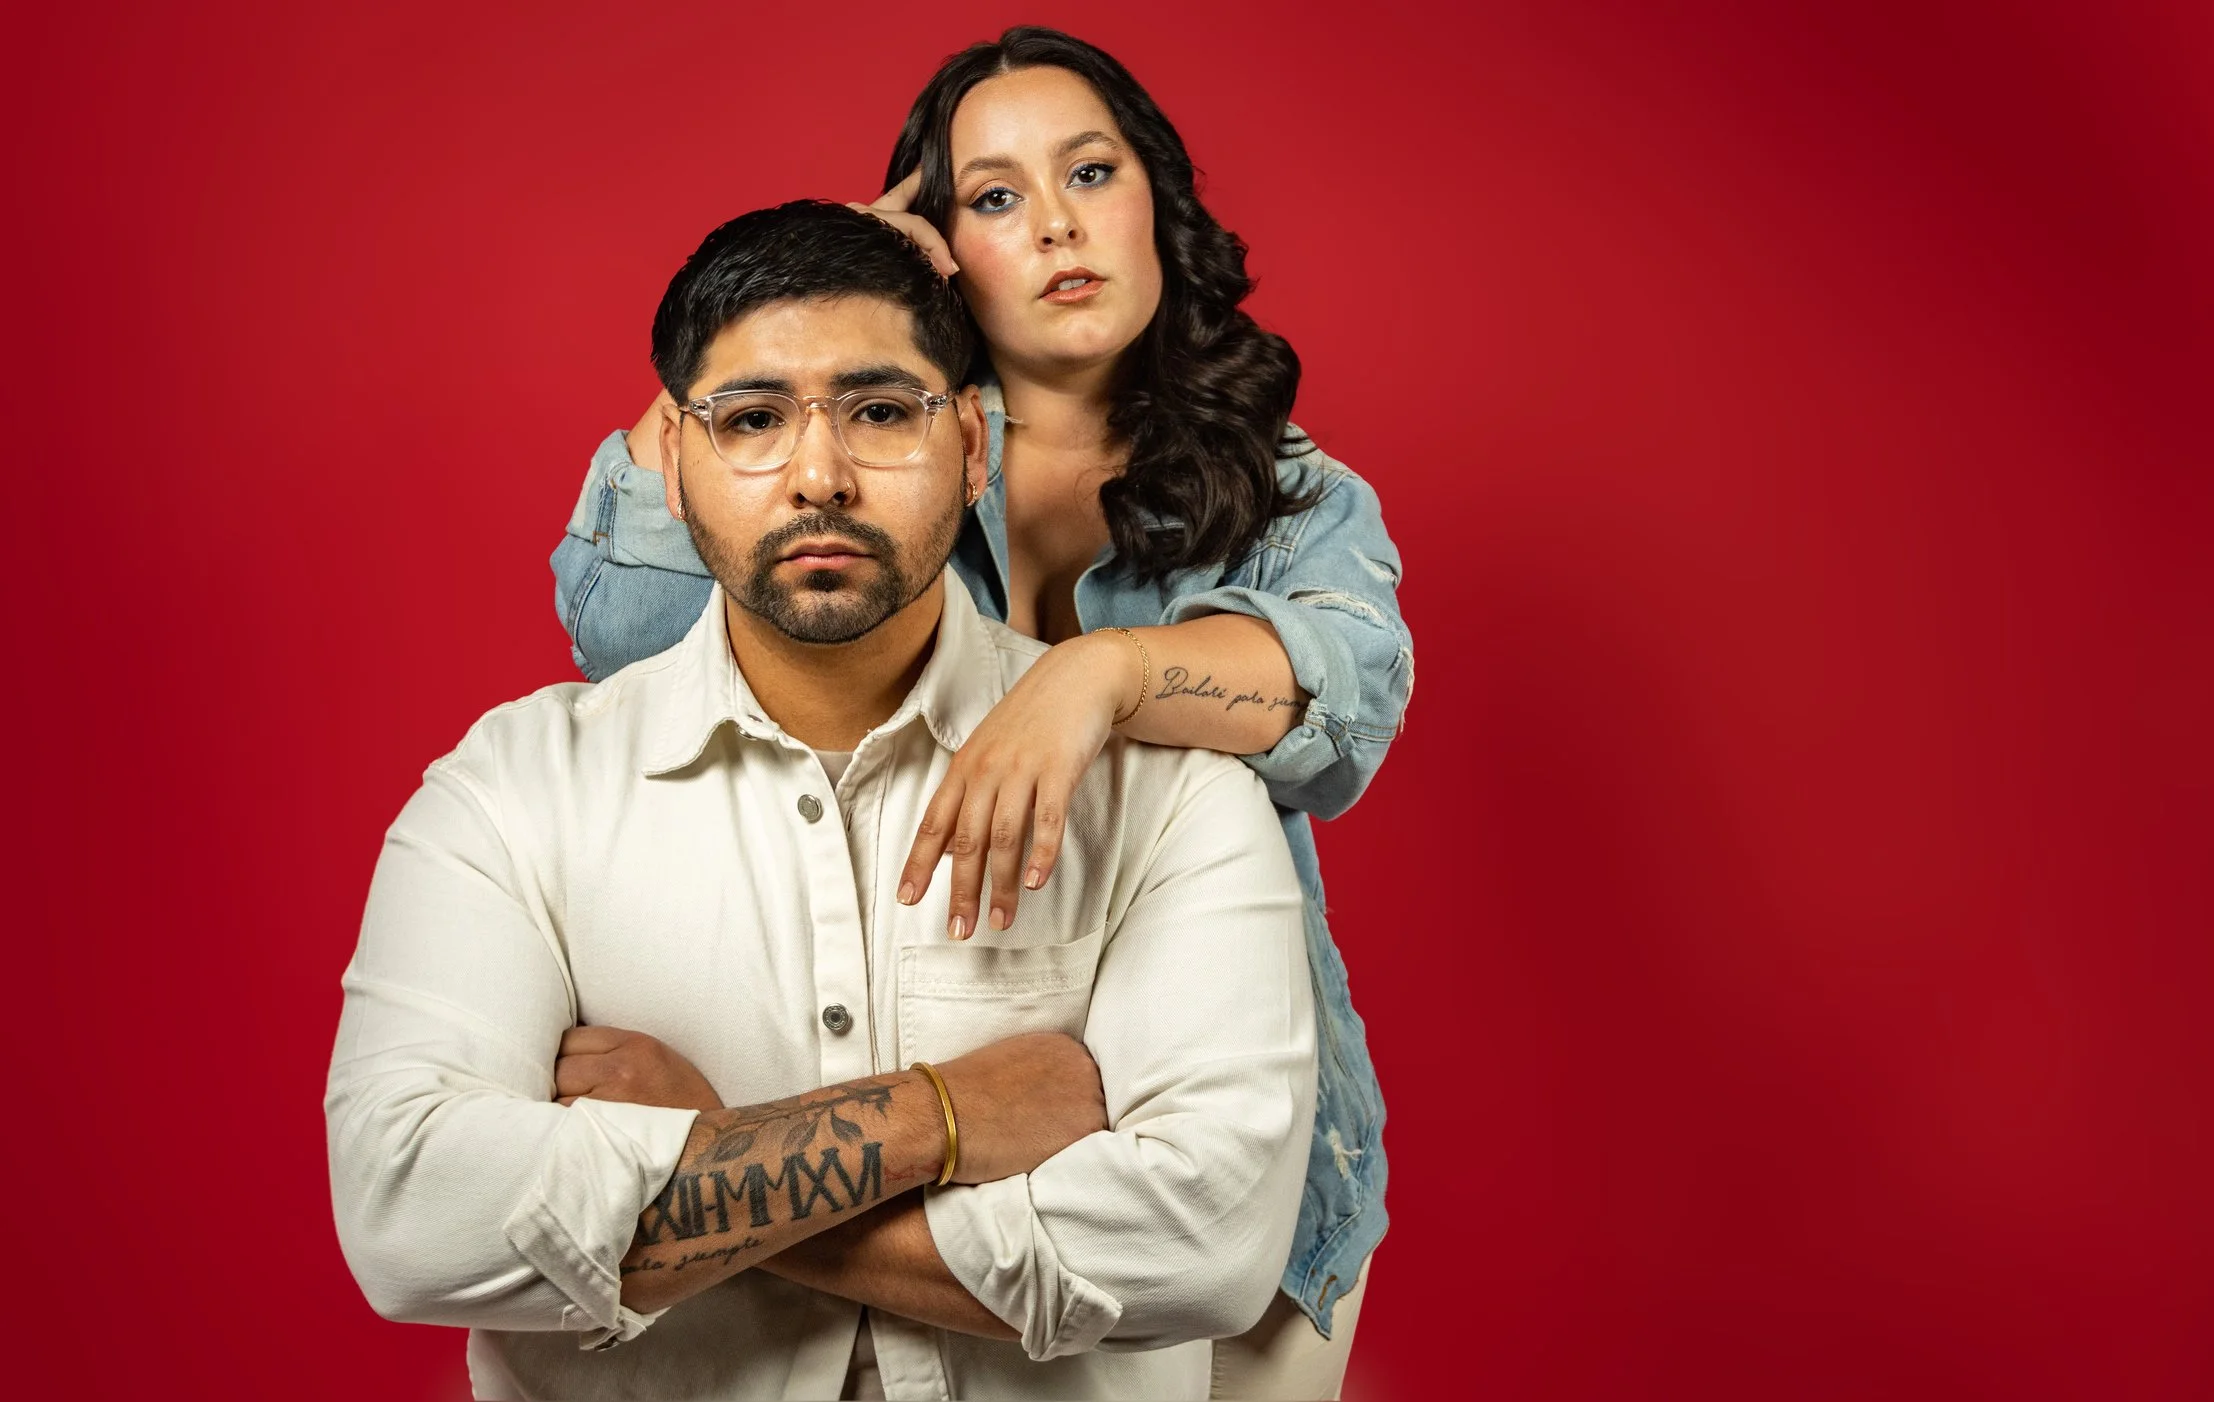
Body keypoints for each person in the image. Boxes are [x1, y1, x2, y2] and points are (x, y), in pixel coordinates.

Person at [328, 200, 1318, 1400]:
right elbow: (410, 1219)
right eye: (750, 419)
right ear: (677, 462)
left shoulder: (1166, 794)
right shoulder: (511, 794)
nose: (818, 474)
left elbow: (1206, 1247)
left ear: (973, 440)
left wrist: (702, 1157)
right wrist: (940, 1118)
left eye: (882, 411)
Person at [553, 29, 1409, 1396]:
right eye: (994, 196)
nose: (1058, 221)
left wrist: (1101, 674)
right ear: (938, 239)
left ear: (1157, 201)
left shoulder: (1287, 487)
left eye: (1091, 170)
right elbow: (630, 627)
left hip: (1212, 1133)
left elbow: (1345, 705)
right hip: (908, 1113)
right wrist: (824, 276)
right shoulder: (865, 462)